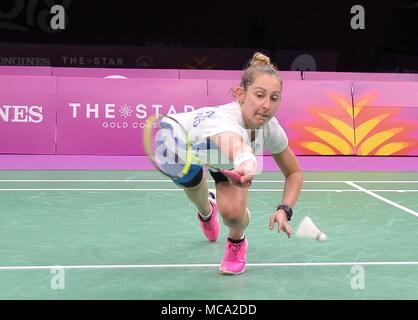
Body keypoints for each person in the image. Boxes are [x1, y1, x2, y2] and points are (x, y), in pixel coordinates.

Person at [166, 52, 303, 275]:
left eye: (274, 98)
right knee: (194, 190)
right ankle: (206, 210)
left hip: (228, 165)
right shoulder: (225, 120)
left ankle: (237, 243)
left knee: (233, 215)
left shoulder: (271, 128)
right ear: (240, 94)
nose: (266, 105)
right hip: (190, 148)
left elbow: (294, 172)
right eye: (259, 95)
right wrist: (246, 160)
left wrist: (285, 209)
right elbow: (234, 144)